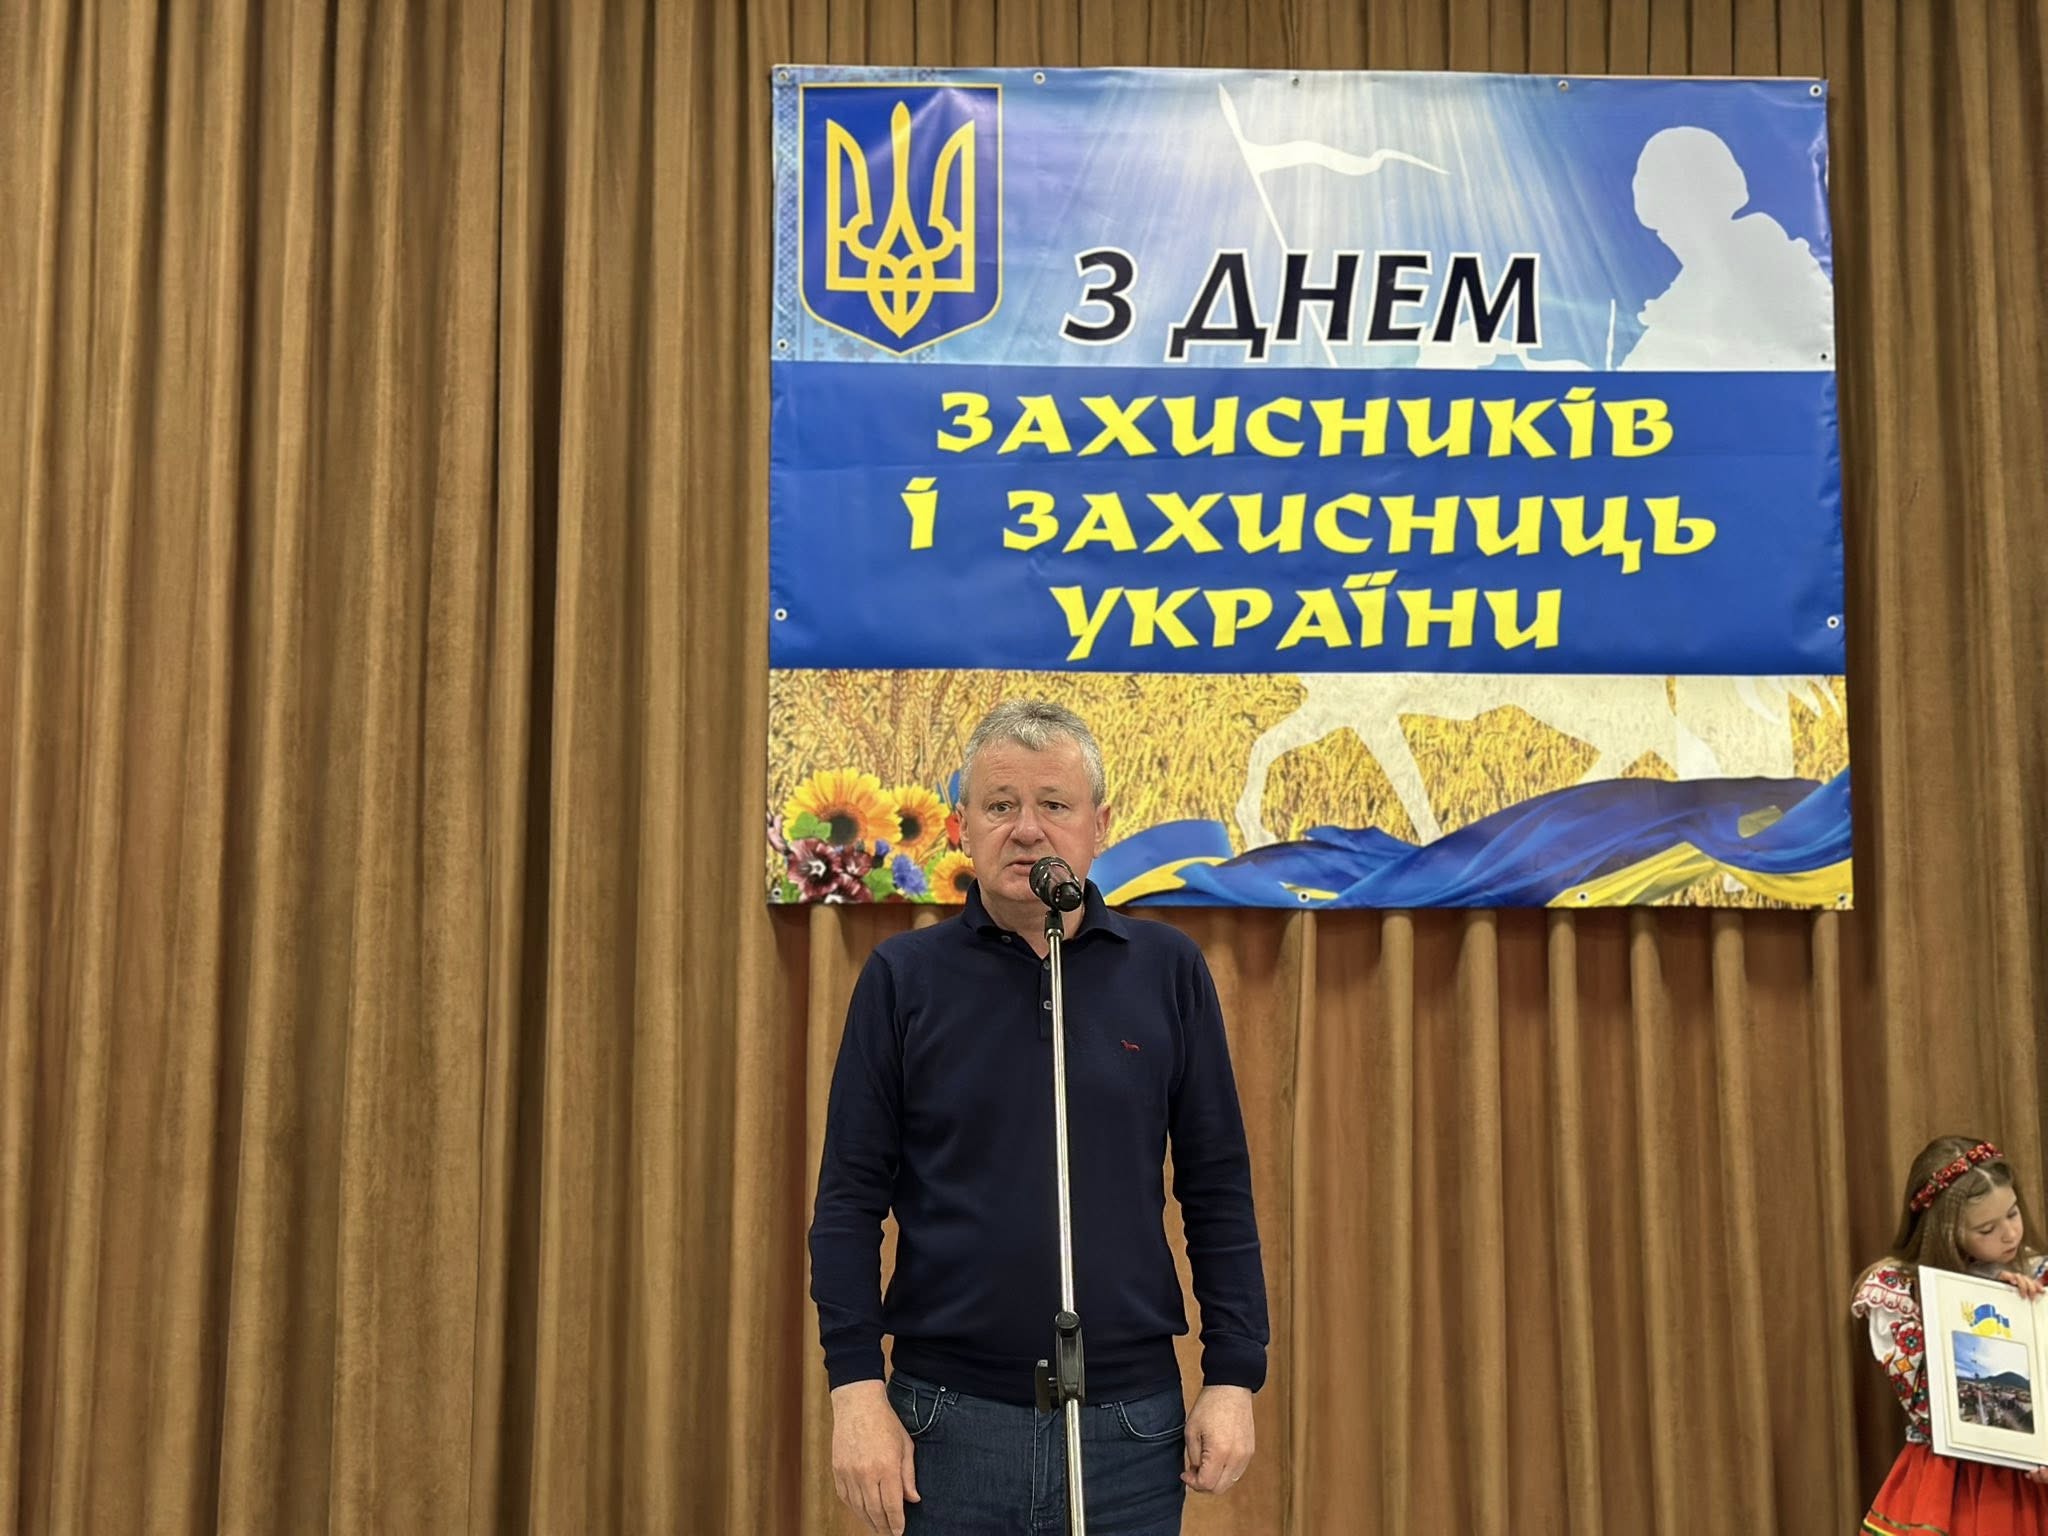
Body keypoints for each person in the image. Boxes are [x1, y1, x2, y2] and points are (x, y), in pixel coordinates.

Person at [808, 699, 1268, 1535]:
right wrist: (855, 1391)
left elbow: (1218, 1188)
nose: (1027, 830)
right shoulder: (903, 979)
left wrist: (1234, 1375)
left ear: (1099, 825)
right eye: (1001, 805)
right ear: (961, 828)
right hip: (947, 1421)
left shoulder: (1166, 970)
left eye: (1054, 804)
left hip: (1128, 1428)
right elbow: (848, 1201)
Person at [1852, 1135, 2048, 1533]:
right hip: (1948, 1484)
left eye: (2013, 1213)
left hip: (2034, 1484)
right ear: (1945, 1231)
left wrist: (2024, 1309)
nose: (2010, 1234)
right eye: (1987, 1228)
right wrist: (1982, 1298)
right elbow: (1929, 1405)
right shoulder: (1898, 1291)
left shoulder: (2037, 1275)